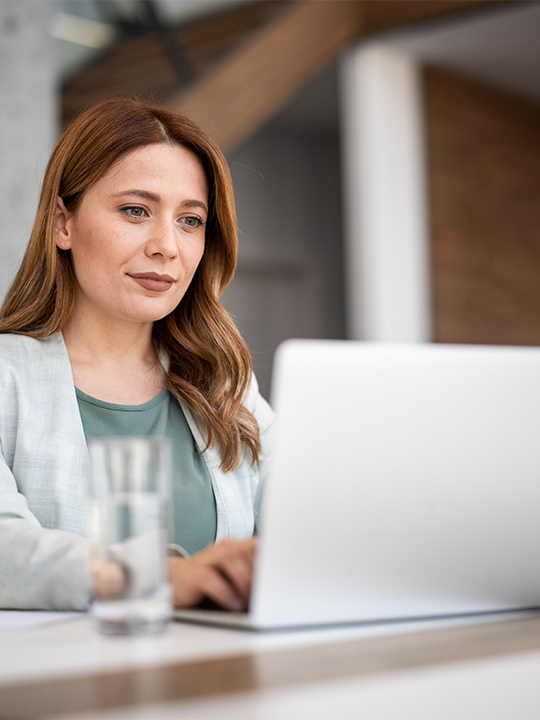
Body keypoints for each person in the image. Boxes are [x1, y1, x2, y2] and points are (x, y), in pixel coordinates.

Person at [0, 98, 275, 612]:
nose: (166, 246)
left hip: (218, 679)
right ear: (63, 223)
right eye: (135, 210)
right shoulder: (6, 378)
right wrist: (163, 575)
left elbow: (312, 518)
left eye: (191, 220)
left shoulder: (224, 386)